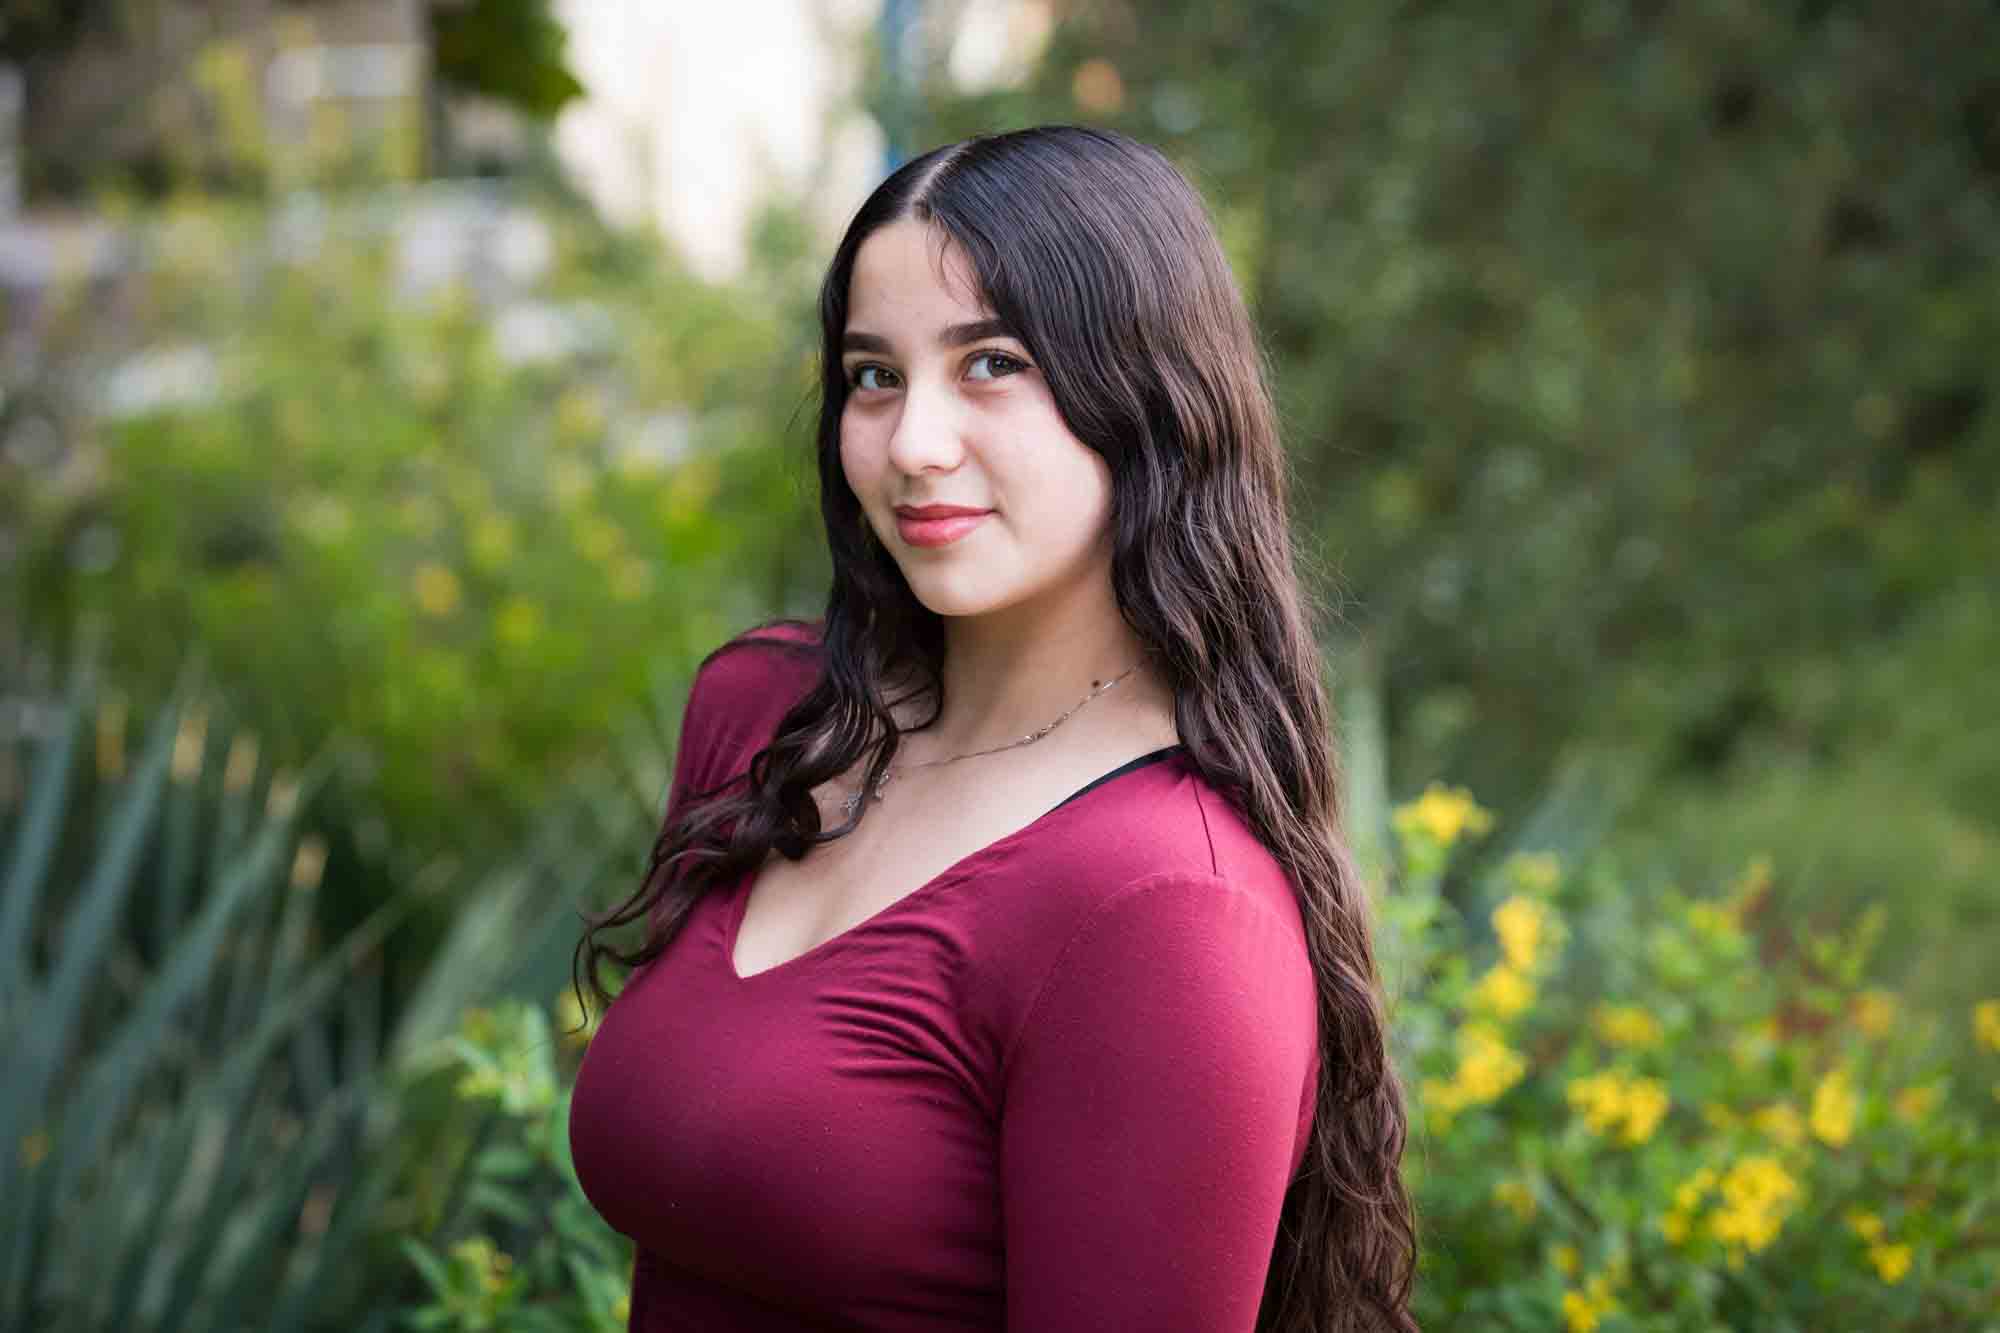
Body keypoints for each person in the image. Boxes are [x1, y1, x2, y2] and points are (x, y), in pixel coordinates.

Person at [567, 125, 1417, 1332]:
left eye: (990, 363)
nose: (912, 445)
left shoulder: (1165, 906)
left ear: (1149, 397)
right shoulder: (767, 718)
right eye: (874, 375)